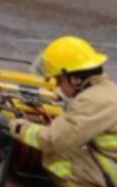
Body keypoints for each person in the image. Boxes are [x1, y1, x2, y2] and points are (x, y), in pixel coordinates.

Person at [8, 36, 116, 186]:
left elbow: (54, 140)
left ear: (75, 79)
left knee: (58, 155)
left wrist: (15, 126)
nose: (58, 86)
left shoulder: (92, 100)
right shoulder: (104, 90)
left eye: (59, 80)